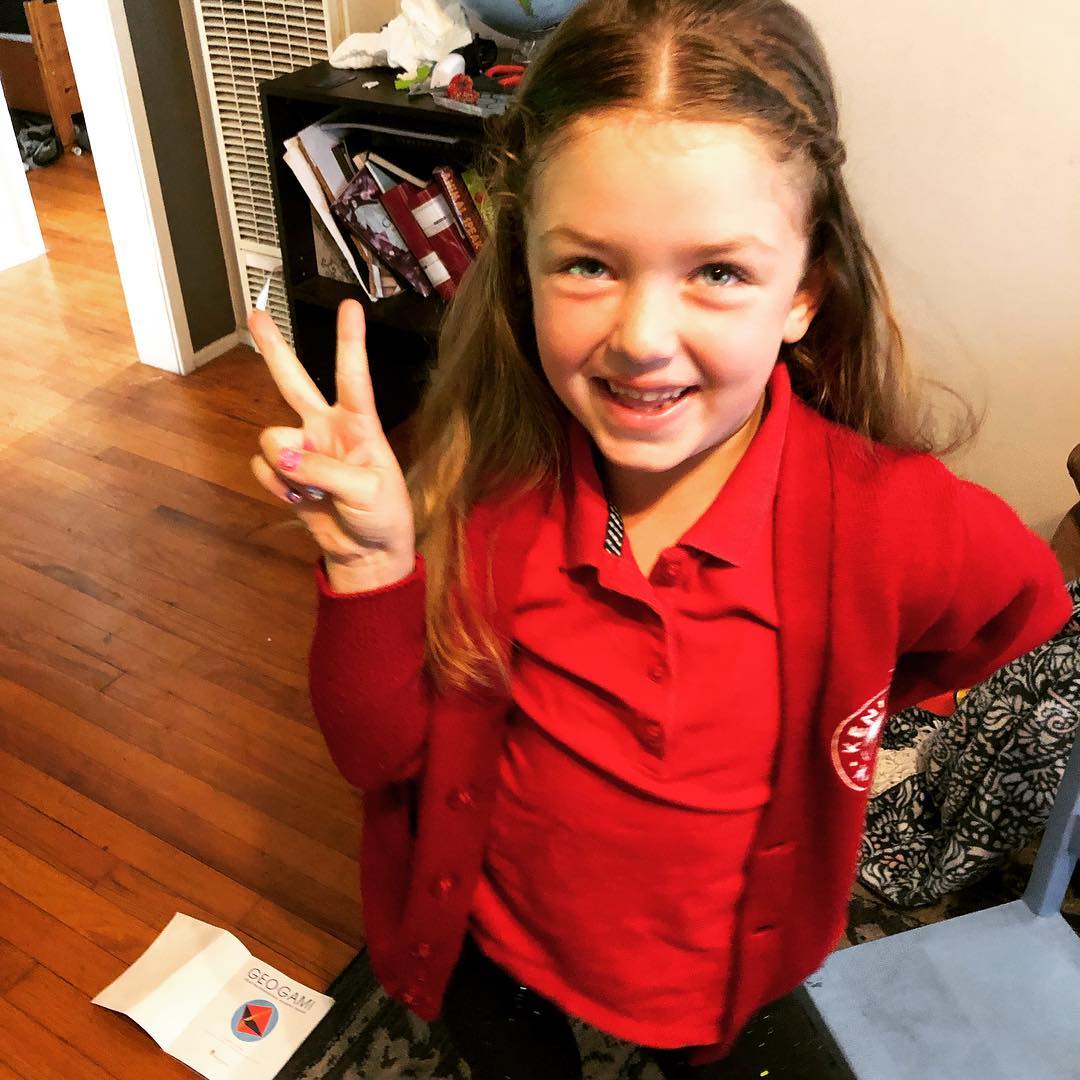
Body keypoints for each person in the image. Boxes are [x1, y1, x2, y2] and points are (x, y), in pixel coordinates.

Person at [248, 0, 1072, 1075]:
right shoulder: (474, 480)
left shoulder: (893, 519)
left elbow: (1016, 610)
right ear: (522, 268)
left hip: (717, 978)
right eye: (588, 265)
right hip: (494, 947)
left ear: (804, 294)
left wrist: (852, 683)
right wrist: (368, 565)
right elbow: (375, 754)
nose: (642, 339)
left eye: (718, 272)